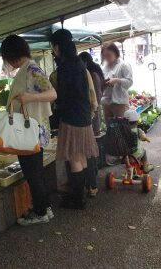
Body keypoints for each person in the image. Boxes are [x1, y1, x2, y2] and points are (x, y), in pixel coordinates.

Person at [0, 35, 57, 226]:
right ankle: (45, 208)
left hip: (29, 132)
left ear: (12, 55)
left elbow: (52, 94)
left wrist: (28, 98)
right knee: (36, 172)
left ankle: (40, 212)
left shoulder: (31, 69)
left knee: (33, 174)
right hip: (31, 131)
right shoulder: (27, 69)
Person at [51, 29, 98, 209]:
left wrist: (57, 106)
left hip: (72, 116)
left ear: (57, 47)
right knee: (82, 156)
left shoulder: (65, 67)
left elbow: (63, 95)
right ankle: (81, 195)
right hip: (83, 115)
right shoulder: (78, 63)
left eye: (53, 47)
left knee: (74, 157)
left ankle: (77, 199)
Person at [79, 51, 104, 197]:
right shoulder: (94, 72)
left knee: (89, 151)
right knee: (90, 150)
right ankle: (92, 184)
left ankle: (92, 184)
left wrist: (92, 112)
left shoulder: (89, 73)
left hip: (89, 117)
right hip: (91, 115)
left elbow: (94, 96)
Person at [101, 43, 133, 124]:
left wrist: (117, 80)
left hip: (120, 103)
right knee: (110, 129)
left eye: (109, 55)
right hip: (106, 102)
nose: (106, 58)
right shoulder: (104, 68)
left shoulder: (123, 65)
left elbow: (129, 82)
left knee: (121, 128)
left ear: (115, 53)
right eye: (104, 56)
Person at [79, 51, 105, 135]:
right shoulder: (95, 71)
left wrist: (93, 107)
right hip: (95, 105)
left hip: (94, 106)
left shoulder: (93, 74)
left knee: (94, 130)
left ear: (85, 62)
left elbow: (95, 93)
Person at [123, 109, 154, 173]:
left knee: (127, 155)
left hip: (124, 155)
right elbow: (143, 138)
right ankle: (145, 167)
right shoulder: (138, 130)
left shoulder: (122, 131)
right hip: (135, 154)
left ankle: (129, 170)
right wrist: (146, 139)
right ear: (137, 122)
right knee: (143, 151)